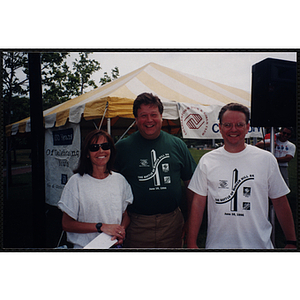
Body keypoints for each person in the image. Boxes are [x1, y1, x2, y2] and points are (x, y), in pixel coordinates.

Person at [187, 103, 297, 249]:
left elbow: (280, 202)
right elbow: (198, 203)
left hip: (258, 246)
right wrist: (191, 243)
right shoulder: (207, 160)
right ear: (220, 128)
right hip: (217, 246)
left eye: (239, 124)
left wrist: (291, 241)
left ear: (247, 127)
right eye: (227, 125)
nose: (233, 129)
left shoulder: (266, 159)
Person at [114, 92, 196, 248]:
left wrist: (190, 221)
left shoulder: (177, 145)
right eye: (143, 115)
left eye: (153, 114)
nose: (149, 120)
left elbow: (191, 184)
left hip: (172, 224)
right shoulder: (122, 148)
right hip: (136, 225)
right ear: (136, 120)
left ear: (161, 116)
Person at [57, 129, 133, 249]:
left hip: (114, 247)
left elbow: (125, 215)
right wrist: (100, 227)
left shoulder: (120, 180)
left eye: (105, 146)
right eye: (94, 147)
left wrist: (120, 231)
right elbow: (66, 224)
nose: (101, 151)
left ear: (111, 150)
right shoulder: (76, 182)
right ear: (87, 153)